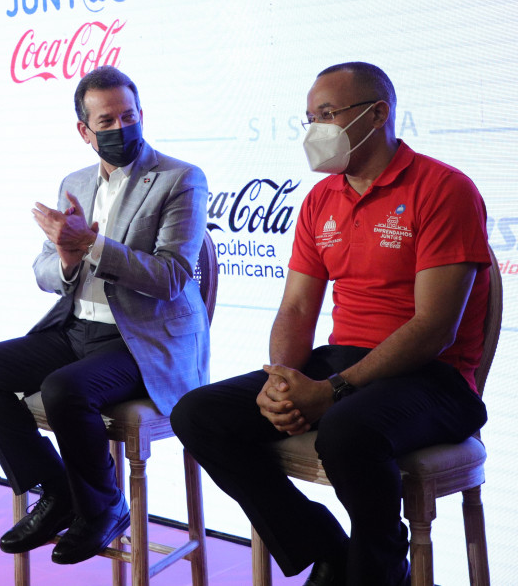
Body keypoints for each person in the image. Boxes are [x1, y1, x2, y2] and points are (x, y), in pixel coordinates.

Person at [170, 62, 492, 586]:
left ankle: (378, 568)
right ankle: (328, 549)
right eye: (309, 118)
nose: (315, 130)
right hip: (344, 364)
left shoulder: (443, 188)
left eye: (327, 114)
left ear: (377, 114)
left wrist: (334, 391)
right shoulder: (321, 198)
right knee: (198, 414)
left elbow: (435, 327)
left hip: (433, 379)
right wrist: (280, 379)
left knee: (346, 430)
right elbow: (297, 309)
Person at [0, 65, 210, 566]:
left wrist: (92, 244)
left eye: (128, 116)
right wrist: (69, 258)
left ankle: (103, 506)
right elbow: (44, 269)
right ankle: (58, 490)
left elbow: (172, 276)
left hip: (144, 340)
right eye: (106, 121)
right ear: (84, 131)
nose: (120, 128)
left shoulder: (179, 178)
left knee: (64, 389)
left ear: (141, 114)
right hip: (76, 329)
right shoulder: (75, 182)